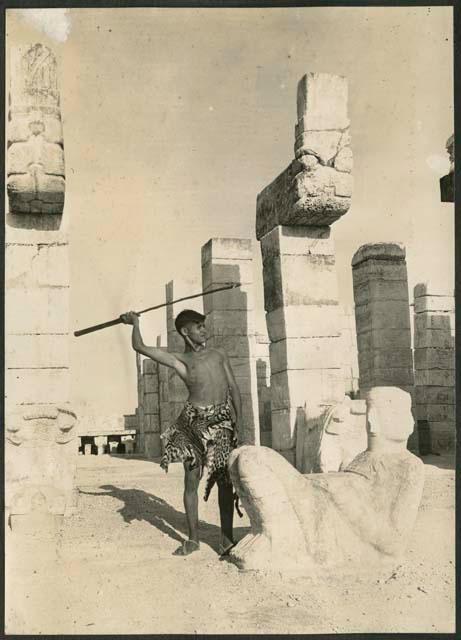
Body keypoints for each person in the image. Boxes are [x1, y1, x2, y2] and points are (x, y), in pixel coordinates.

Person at [120, 308, 242, 556]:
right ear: (186, 332)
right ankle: (194, 539)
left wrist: (238, 423)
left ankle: (226, 538)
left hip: (221, 423)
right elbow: (141, 347)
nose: (204, 330)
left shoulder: (219, 355)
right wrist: (134, 323)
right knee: (191, 481)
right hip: (193, 423)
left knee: (225, 482)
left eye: (204, 325)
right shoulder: (180, 361)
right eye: (199, 326)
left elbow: (234, 389)